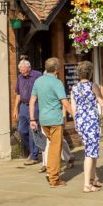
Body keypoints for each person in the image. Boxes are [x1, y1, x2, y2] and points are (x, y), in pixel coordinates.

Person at [70, 60, 103, 193]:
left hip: (81, 122)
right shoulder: (93, 86)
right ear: (90, 73)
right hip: (91, 122)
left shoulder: (74, 88)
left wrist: (76, 123)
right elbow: (102, 103)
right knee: (90, 153)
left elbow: (74, 108)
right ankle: (86, 185)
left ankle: (92, 180)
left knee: (93, 151)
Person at [30, 57, 74, 188]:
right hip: (55, 120)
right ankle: (54, 179)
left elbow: (32, 102)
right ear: (56, 69)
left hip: (43, 120)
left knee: (51, 147)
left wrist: (32, 119)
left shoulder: (38, 81)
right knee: (55, 149)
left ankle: (50, 170)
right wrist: (76, 115)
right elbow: (65, 102)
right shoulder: (57, 83)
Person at [13, 60, 42, 165]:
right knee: (21, 130)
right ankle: (34, 150)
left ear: (29, 68)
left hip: (34, 105)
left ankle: (34, 156)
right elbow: (18, 94)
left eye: (23, 69)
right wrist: (15, 108)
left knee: (32, 130)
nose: (21, 71)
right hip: (24, 106)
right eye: (20, 70)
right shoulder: (20, 77)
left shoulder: (38, 75)